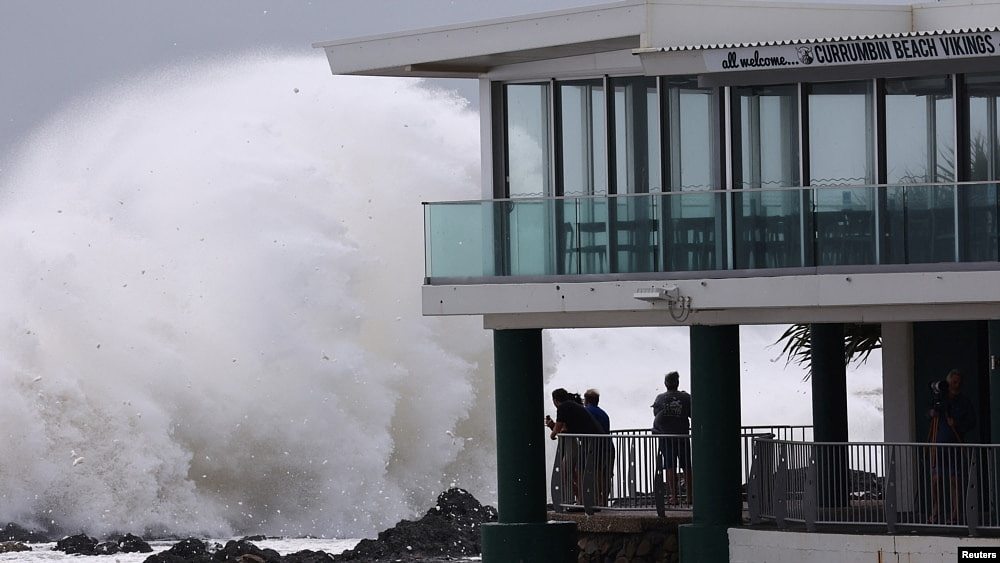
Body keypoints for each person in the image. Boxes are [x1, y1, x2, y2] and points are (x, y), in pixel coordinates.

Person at [927, 369, 976, 524]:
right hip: (938, 446)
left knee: (955, 480)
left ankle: (955, 514)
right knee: (935, 479)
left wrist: (957, 424)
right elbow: (930, 411)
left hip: (955, 445)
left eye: (959, 382)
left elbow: (971, 421)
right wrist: (931, 413)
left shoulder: (964, 401)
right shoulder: (940, 400)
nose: (957, 385)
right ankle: (935, 511)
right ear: (948, 383)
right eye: (954, 382)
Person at [546, 388, 603, 507]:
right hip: (592, 441)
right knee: (575, 473)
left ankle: (581, 499)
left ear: (555, 400)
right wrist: (553, 425)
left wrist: (552, 434)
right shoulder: (572, 406)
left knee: (565, 473)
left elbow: (559, 429)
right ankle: (583, 498)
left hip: (588, 442)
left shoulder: (563, 407)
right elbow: (565, 429)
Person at [651, 371, 692, 505]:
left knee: (670, 466)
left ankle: (673, 497)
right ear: (677, 383)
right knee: (686, 466)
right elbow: (693, 413)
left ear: (665, 384)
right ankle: (690, 496)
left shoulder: (660, 398)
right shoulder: (686, 398)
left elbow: (656, 415)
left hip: (666, 437)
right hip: (683, 436)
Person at [583, 389, 614, 505]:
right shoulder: (603, 413)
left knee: (596, 473)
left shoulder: (586, 411)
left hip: (595, 447)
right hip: (607, 445)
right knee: (606, 474)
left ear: (586, 400)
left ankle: (596, 500)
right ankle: (604, 500)